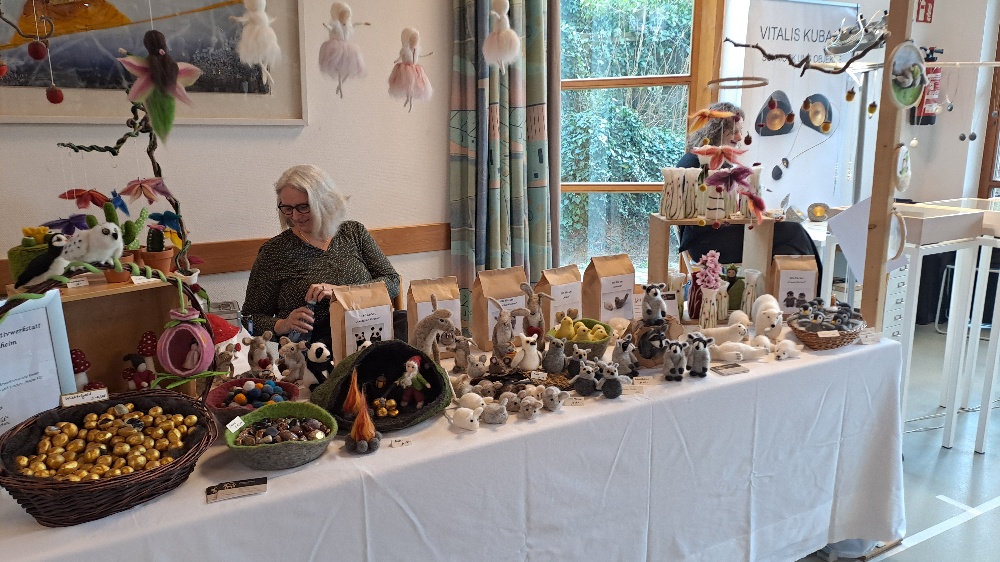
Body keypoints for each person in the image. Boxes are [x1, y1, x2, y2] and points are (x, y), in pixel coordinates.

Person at [241, 164, 401, 350]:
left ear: (325, 201)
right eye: (287, 208)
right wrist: (283, 324)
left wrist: (342, 293)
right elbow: (249, 318)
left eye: (303, 207)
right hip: (311, 352)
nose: (295, 216)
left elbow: (392, 282)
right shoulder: (274, 252)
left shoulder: (353, 233)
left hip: (370, 339)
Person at [675, 101, 822, 276]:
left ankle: (781, 289)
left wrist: (764, 219)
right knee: (793, 232)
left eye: (740, 131)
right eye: (734, 131)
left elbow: (728, 209)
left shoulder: (714, 160)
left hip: (717, 234)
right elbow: (703, 214)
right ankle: (808, 289)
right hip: (706, 242)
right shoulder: (696, 162)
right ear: (716, 130)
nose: (739, 138)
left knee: (787, 244)